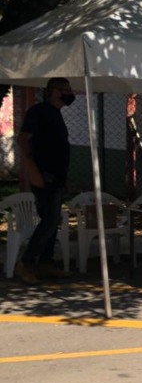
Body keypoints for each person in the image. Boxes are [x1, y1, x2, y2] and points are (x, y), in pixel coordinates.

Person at [15, 77, 76, 283]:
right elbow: (22, 140)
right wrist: (32, 169)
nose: (68, 93)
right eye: (63, 90)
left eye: (69, 89)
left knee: (53, 220)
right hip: (43, 176)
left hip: (57, 176)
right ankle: (26, 263)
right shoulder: (39, 111)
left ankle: (45, 263)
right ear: (52, 91)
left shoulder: (56, 114)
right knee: (49, 220)